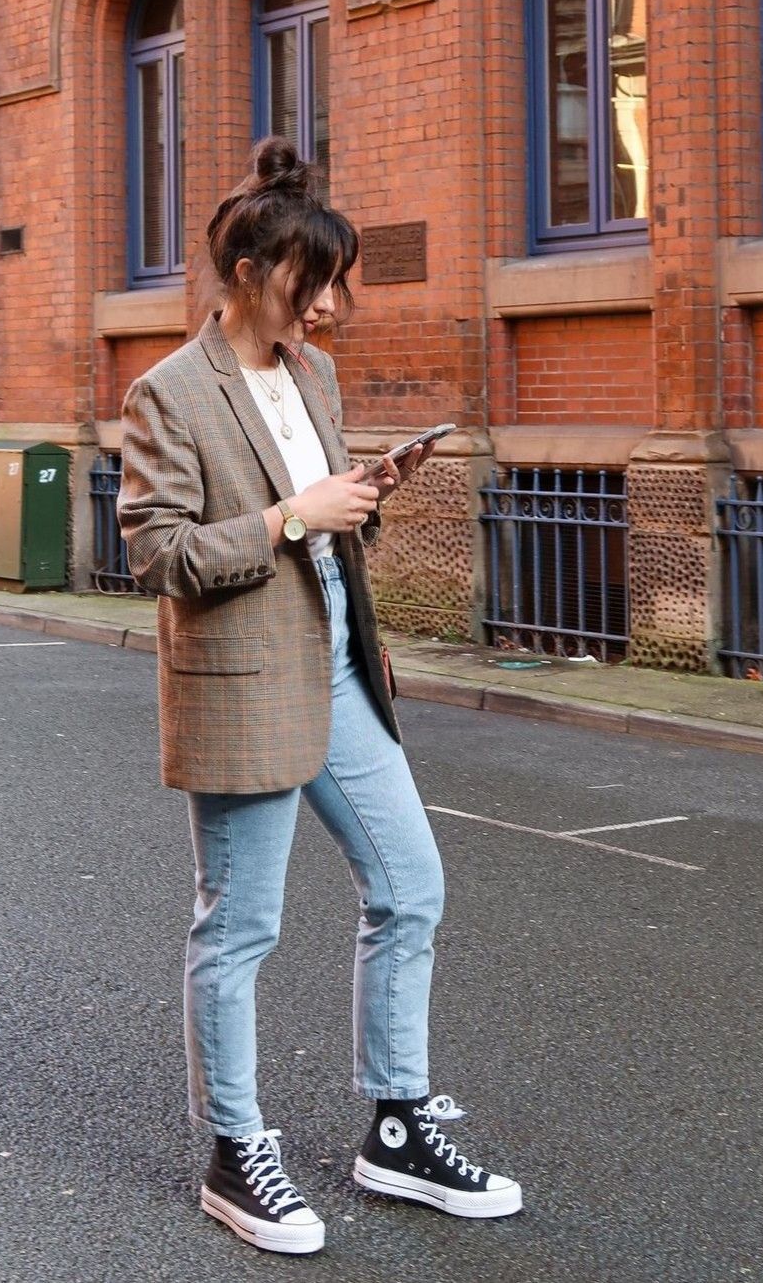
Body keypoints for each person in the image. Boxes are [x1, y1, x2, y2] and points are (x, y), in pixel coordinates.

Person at [118, 137, 522, 1256]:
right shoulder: (168, 393)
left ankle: (397, 1122)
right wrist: (296, 516)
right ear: (253, 272)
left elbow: (323, 518)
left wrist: (365, 496)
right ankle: (234, 1148)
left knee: (412, 887)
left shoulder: (315, 375)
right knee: (240, 926)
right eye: (319, 281)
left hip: (341, 665)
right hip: (244, 682)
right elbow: (156, 553)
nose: (335, 304)